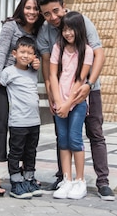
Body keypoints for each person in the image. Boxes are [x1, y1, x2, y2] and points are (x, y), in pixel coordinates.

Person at [36, 0, 115, 201]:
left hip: (87, 89)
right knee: (63, 135)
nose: (52, 17)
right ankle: (65, 177)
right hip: (60, 92)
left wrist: (89, 85)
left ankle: (102, 181)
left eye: (55, 11)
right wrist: (52, 96)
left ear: (63, 6)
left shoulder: (81, 21)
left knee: (94, 132)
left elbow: (98, 53)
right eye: (46, 14)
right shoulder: (45, 32)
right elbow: (47, 65)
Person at [0, 0, 44, 197]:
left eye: (35, 9)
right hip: (1, 75)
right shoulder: (10, 26)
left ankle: (24, 176)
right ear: (21, 8)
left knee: (23, 130)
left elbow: (33, 57)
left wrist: (36, 65)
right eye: (28, 8)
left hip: (21, 78)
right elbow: (1, 53)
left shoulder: (38, 31)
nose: (32, 12)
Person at [49, 11, 93, 200]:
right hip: (59, 102)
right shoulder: (58, 47)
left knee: (75, 140)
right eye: (65, 29)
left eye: (71, 29)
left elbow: (80, 79)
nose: (68, 33)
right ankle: (66, 180)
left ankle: (80, 181)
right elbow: (52, 75)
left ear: (79, 29)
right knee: (63, 141)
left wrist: (68, 103)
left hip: (77, 103)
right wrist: (58, 102)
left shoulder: (87, 51)